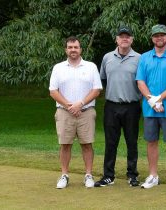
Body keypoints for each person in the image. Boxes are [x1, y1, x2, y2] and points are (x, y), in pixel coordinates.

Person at [49, 36, 102, 189]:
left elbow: (96, 89)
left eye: (76, 47)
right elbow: (53, 91)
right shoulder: (58, 68)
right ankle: (64, 175)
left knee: (87, 144)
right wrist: (69, 106)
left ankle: (88, 175)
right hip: (64, 112)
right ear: (66, 50)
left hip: (86, 111)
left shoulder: (91, 66)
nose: (73, 50)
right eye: (70, 47)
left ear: (80, 49)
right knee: (65, 144)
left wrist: (80, 104)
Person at [136, 24, 166, 191]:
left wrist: (159, 99)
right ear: (152, 38)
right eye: (156, 36)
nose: (159, 38)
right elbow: (140, 81)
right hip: (150, 108)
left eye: (162, 35)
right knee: (151, 141)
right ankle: (153, 175)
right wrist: (152, 101)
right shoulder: (144, 57)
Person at [94, 26, 141, 187]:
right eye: (121, 36)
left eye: (127, 36)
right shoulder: (107, 57)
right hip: (112, 106)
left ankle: (132, 174)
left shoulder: (139, 58)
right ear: (116, 39)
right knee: (111, 142)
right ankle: (108, 175)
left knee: (131, 141)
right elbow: (103, 80)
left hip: (132, 106)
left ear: (132, 39)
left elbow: (142, 82)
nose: (124, 39)